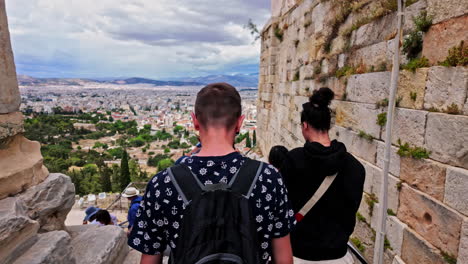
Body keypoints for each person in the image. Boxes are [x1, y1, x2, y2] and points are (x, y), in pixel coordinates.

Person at [128, 83, 295, 264]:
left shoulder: (163, 184)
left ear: (195, 122)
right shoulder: (269, 178)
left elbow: (150, 258)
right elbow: (283, 257)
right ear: (240, 122)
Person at [280, 87, 365, 263]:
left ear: (305, 126)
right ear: (328, 126)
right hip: (338, 256)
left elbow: (281, 208)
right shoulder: (356, 167)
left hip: (299, 254)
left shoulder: (293, 160)